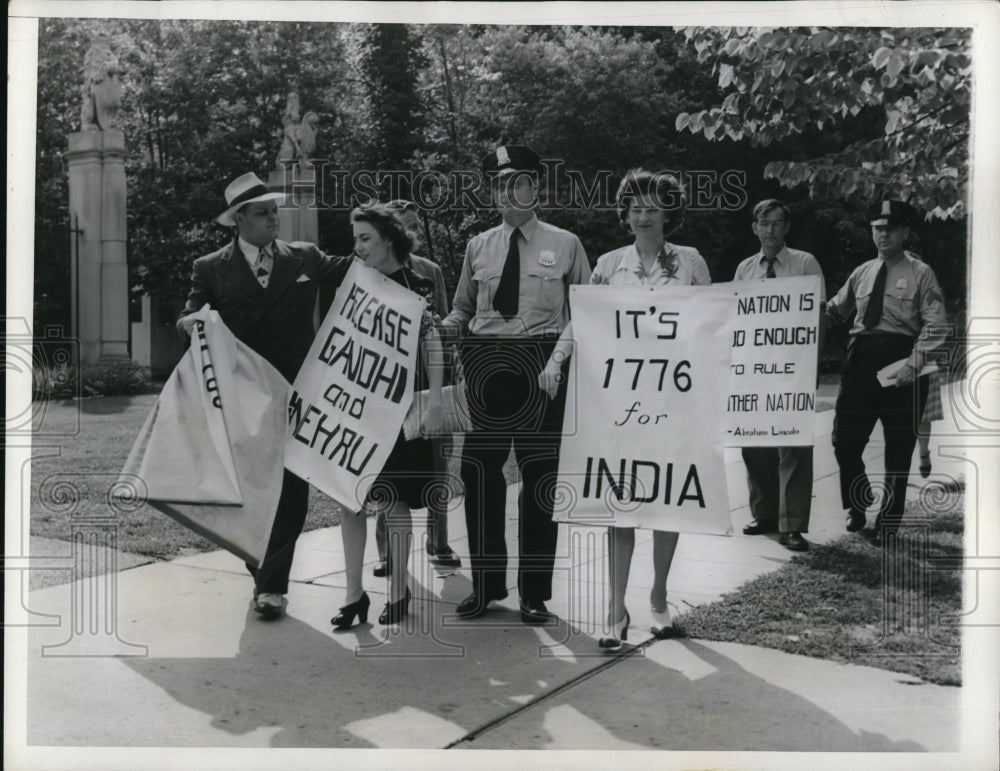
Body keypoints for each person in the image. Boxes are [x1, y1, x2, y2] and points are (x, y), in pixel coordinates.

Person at [540, 169, 709, 650]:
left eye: (652, 206)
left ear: (668, 211)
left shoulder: (691, 262)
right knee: (621, 504)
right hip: (618, 403)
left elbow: (708, 325)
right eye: (635, 207)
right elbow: (582, 320)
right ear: (625, 213)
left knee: (667, 501)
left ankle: (658, 595)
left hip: (674, 401)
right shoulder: (609, 264)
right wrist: (556, 358)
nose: (643, 215)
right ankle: (615, 609)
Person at [177, 171, 352, 619]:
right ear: (239, 220)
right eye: (262, 212)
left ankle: (272, 586)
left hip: (296, 392)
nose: (274, 217)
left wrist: (390, 245)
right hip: (240, 399)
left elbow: (356, 270)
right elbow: (189, 316)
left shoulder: (306, 257)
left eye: (275, 210)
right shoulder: (209, 267)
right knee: (250, 489)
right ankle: (262, 573)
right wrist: (192, 323)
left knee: (292, 489)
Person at [440, 144, 591, 625]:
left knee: (538, 476)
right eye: (499, 185)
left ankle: (534, 593)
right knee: (478, 472)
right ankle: (485, 586)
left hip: (541, 363)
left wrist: (559, 361)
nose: (507, 192)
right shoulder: (478, 246)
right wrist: (447, 326)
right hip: (486, 364)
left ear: (535, 187)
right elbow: (463, 308)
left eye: (517, 183)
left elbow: (587, 313)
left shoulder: (565, 243)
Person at [330, 203, 444, 628]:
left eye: (365, 239)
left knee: (394, 500)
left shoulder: (417, 284)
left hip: (398, 409)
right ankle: (353, 594)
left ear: (389, 240)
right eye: (355, 238)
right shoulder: (352, 281)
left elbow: (432, 343)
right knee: (349, 498)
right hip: (356, 406)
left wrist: (433, 402)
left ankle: (398, 592)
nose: (356, 247)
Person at [825, 200, 947, 546]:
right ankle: (859, 500)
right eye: (878, 229)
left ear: (905, 232)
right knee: (844, 440)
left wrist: (914, 363)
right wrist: (800, 309)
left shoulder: (921, 273)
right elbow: (835, 310)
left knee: (898, 448)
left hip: (902, 364)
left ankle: (889, 522)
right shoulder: (862, 272)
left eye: (890, 229)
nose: (883, 236)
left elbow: (936, 326)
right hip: (860, 362)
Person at [365, 199, 461, 577]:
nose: (413, 235)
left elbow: (440, 327)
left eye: (416, 227)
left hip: (426, 380)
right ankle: (387, 551)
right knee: (385, 467)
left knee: (438, 463)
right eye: (405, 227)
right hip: (383, 386)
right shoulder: (368, 270)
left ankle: (439, 541)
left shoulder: (429, 271)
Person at [734, 200, 826, 553]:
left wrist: (813, 366)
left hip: (793, 368)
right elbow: (736, 319)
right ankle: (766, 515)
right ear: (754, 228)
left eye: (776, 223)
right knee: (754, 444)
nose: (770, 229)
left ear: (786, 227)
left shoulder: (805, 263)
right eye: (763, 223)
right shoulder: (745, 269)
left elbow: (817, 318)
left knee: (794, 447)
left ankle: (793, 525)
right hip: (754, 370)